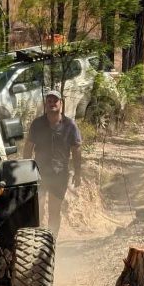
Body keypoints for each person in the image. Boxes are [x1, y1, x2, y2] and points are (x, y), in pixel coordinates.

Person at [22, 89, 83, 237]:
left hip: (59, 174)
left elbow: (76, 150)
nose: (52, 104)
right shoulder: (37, 124)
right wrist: (25, 170)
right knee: (39, 209)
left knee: (54, 211)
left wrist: (78, 173)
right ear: (45, 104)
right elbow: (28, 147)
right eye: (49, 101)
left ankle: (52, 241)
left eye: (55, 101)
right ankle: (37, 241)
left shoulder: (70, 125)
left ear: (61, 103)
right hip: (39, 173)